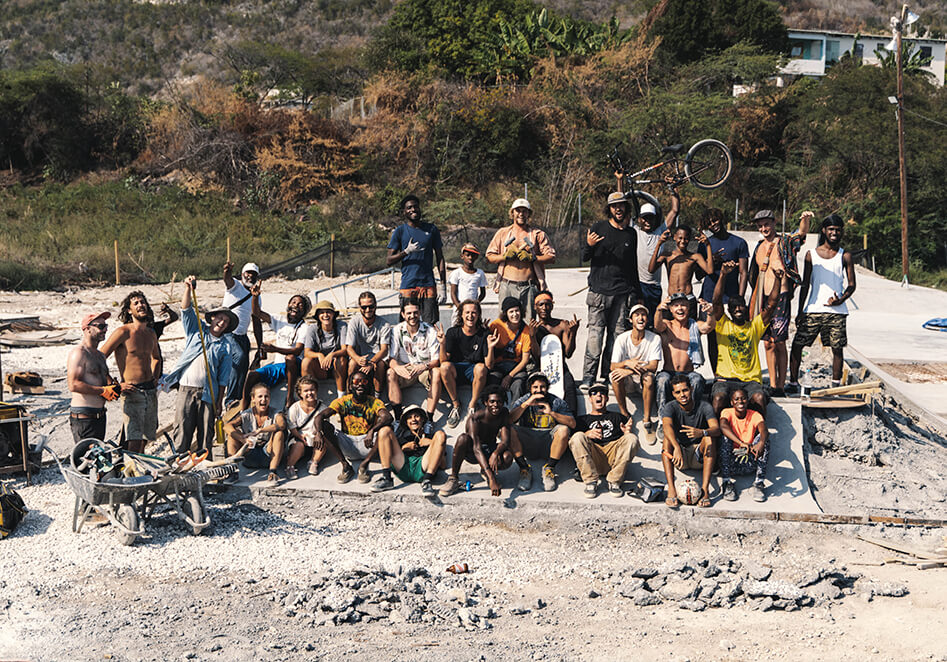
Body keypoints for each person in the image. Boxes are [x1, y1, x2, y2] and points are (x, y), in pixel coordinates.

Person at [159, 276, 236, 458]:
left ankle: (202, 470)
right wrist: (188, 287)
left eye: (226, 321)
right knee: (182, 431)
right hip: (186, 390)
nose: (222, 323)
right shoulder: (197, 330)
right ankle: (178, 466)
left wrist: (219, 403)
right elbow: (186, 309)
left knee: (205, 437)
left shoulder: (225, 346)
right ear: (213, 317)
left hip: (209, 393)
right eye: (220, 318)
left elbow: (223, 378)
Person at [581, 191, 643, 390]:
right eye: (614, 206)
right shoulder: (599, 227)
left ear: (626, 208)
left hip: (622, 294)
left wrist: (637, 294)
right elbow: (584, 257)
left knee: (616, 339)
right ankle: (588, 378)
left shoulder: (631, 234)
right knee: (595, 339)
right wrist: (589, 246)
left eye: (621, 205)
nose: (618, 209)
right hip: (599, 292)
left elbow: (632, 266)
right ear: (609, 208)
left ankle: (608, 375)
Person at [788, 213, 857, 392]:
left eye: (838, 230)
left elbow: (851, 285)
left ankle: (834, 386)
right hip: (813, 309)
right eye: (831, 229)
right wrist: (801, 310)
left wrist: (840, 299)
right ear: (824, 231)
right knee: (797, 345)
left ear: (842, 232)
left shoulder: (845, 255)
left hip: (838, 311)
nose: (834, 233)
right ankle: (793, 383)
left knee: (837, 348)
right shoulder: (812, 255)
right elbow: (805, 285)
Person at [748, 209, 813, 396]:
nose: (764, 228)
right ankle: (774, 384)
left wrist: (804, 219)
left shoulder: (784, 242)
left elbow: (800, 235)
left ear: (774, 223)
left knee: (780, 342)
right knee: (767, 342)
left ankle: (781, 385)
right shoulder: (759, 246)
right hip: (763, 297)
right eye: (760, 226)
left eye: (766, 224)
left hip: (781, 296)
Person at [711, 261, 784, 416]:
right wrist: (723, 274)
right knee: (718, 397)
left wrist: (777, 280)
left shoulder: (754, 326)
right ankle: (715, 437)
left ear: (745, 308)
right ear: (729, 311)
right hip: (726, 379)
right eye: (734, 306)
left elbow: (771, 306)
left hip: (750, 381)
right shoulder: (723, 324)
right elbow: (716, 302)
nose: (738, 308)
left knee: (759, 397)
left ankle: (761, 435)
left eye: (741, 305)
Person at [439, 386, 532, 497]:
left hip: (490, 448)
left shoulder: (503, 414)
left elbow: (505, 441)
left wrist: (496, 453)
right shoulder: (475, 419)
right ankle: (453, 478)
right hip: (473, 453)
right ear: (485, 402)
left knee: (507, 457)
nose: (496, 405)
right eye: (492, 401)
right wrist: (493, 480)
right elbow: (476, 449)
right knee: (463, 438)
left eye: (499, 402)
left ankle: (486, 471)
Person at [101, 291, 162, 453]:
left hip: (150, 390)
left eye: (143, 302)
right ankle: (131, 475)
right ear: (129, 310)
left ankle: (139, 472)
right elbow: (100, 357)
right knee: (134, 438)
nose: (141, 305)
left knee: (146, 436)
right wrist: (114, 384)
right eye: (136, 303)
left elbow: (156, 358)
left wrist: (155, 379)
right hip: (132, 391)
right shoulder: (123, 332)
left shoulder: (151, 333)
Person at [312, 370, 393, 484]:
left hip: (368, 444)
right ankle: (345, 466)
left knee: (386, 429)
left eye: (364, 381)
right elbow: (319, 417)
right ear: (350, 386)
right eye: (356, 381)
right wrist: (318, 433)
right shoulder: (343, 401)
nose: (360, 384)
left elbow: (388, 417)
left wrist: (372, 430)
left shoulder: (375, 402)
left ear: (369, 385)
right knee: (324, 426)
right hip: (347, 443)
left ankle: (364, 465)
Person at [616, 172, 675, 326]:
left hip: (654, 286)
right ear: (639, 219)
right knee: (633, 322)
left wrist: (673, 188)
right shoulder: (633, 230)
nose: (647, 221)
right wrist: (620, 181)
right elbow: (620, 204)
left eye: (651, 218)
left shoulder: (660, 232)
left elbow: (674, 211)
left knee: (653, 324)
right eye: (645, 218)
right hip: (637, 284)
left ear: (656, 219)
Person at [485, 198, 556, 321]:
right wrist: (504, 256)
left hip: (529, 287)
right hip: (507, 285)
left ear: (529, 214)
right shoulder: (503, 233)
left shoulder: (537, 234)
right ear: (512, 213)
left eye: (525, 211)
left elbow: (551, 257)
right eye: (518, 211)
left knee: (530, 324)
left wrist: (533, 258)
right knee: (504, 322)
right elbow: (489, 256)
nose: (521, 214)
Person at [242, 285, 310, 410]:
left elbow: (298, 350)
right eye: (293, 302)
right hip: (279, 365)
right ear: (288, 305)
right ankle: (244, 409)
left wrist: (276, 349)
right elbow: (257, 313)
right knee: (252, 375)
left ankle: (290, 398)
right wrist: (255, 297)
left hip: (295, 365)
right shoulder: (280, 320)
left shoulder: (304, 327)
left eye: (300, 305)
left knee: (290, 358)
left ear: (304, 311)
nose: (296, 305)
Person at [697, 208, 748, 374]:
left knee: (732, 338)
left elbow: (743, 272)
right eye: (709, 223)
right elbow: (699, 273)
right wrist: (712, 260)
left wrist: (740, 298)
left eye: (715, 220)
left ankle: (735, 372)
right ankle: (717, 375)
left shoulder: (739, 243)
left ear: (722, 219)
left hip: (731, 299)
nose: (713, 225)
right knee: (713, 339)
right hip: (709, 297)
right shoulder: (704, 244)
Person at [653, 292, 716, 421]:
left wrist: (710, 313)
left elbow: (708, 327)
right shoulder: (667, 325)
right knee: (661, 380)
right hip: (668, 372)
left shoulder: (694, 325)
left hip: (688, 373)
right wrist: (659, 310)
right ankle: (663, 419)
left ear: (688, 308)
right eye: (676, 305)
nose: (680, 308)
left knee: (697, 380)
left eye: (683, 305)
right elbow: (657, 325)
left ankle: (692, 414)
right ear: (670, 309)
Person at [569, 384, 639, 499]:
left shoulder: (617, 417)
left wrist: (626, 433)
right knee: (577, 437)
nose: (599, 395)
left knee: (632, 438)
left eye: (602, 393)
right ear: (590, 399)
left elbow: (626, 442)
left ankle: (614, 481)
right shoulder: (582, 420)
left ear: (607, 398)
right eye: (594, 393)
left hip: (613, 456)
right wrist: (587, 434)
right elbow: (571, 442)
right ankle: (590, 482)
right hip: (592, 457)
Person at [509, 372, 575, 492]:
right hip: (528, 441)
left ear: (547, 388)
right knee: (509, 430)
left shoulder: (556, 401)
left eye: (542, 387)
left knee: (564, 430)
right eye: (535, 387)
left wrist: (552, 413)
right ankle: (524, 469)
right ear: (530, 388)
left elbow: (572, 423)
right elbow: (509, 419)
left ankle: (549, 468)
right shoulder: (524, 399)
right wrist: (526, 404)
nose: (539, 390)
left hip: (548, 443)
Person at [661, 374, 719, 509]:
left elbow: (716, 429)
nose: (682, 395)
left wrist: (702, 432)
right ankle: (671, 489)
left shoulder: (704, 406)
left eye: (685, 390)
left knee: (709, 438)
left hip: (698, 456)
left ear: (692, 389)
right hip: (679, 456)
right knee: (667, 439)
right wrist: (676, 447)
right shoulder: (670, 407)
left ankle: (705, 490)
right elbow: (666, 426)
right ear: (673, 394)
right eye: (678, 392)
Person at [386, 195, 446, 325]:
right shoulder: (400, 231)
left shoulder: (431, 229)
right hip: (409, 285)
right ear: (404, 212)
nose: (413, 209)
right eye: (409, 208)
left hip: (428, 285)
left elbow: (440, 257)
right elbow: (389, 260)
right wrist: (406, 251)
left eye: (415, 206)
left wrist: (443, 286)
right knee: (407, 325)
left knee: (431, 325)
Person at [436, 300, 497, 428]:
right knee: (444, 367)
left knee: (481, 368)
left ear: (478, 315)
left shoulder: (484, 334)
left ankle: (472, 405)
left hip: (473, 371)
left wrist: (490, 347)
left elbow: (489, 365)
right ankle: (456, 405)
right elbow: (443, 361)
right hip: (456, 370)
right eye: (467, 312)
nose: (470, 316)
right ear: (461, 315)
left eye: (474, 312)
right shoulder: (453, 332)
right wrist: (442, 344)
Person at [609, 304, 663, 443]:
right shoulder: (622, 338)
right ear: (630, 319)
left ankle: (647, 421)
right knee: (614, 376)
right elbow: (613, 366)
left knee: (649, 378)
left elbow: (653, 366)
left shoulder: (655, 338)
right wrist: (627, 362)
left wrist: (629, 370)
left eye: (643, 315)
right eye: (637, 315)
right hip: (628, 383)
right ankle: (624, 414)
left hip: (642, 380)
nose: (640, 318)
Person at [67, 312, 120, 444]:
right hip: (84, 418)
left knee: (98, 459)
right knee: (87, 461)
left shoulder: (100, 355)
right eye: (101, 326)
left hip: (99, 416)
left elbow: (103, 379)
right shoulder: (79, 353)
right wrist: (102, 391)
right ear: (88, 329)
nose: (105, 330)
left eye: (106, 326)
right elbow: (73, 384)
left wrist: (114, 388)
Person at [371, 405, 447, 496]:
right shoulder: (401, 439)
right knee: (384, 430)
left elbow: (443, 465)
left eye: (416, 416)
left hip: (423, 468)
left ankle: (427, 481)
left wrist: (431, 443)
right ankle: (386, 478)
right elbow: (388, 454)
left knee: (440, 434)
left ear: (422, 419)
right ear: (406, 423)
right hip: (403, 468)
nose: (413, 419)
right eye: (410, 418)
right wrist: (403, 448)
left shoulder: (433, 439)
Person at [284, 376, 349, 480]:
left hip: (315, 438)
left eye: (312, 390)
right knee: (298, 446)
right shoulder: (295, 408)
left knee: (322, 442)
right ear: (300, 393)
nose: (309, 393)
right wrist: (300, 436)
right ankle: (290, 466)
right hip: (300, 437)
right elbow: (292, 427)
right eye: (306, 391)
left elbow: (324, 426)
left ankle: (314, 462)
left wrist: (317, 435)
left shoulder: (322, 408)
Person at [387, 300, 441, 422]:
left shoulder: (430, 330)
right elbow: (391, 359)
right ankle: (398, 418)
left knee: (437, 372)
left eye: (415, 312)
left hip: (424, 369)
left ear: (420, 312)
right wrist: (397, 367)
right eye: (409, 313)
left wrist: (424, 366)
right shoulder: (396, 330)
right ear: (403, 314)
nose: (412, 316)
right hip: (405, 369)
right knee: (390, 372)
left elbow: (436, 360)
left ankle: (429, 419)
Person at [528, 291, 580, 415]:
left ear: (552, 306)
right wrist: (532, 337)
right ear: (535, 307)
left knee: (569, 386)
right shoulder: (533, 327)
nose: (544, 308)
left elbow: (568, 353)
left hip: (560, 367)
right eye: (540, 305)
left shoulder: (562, 325)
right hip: (540, 367)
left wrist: (573, 333)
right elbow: (536, 356)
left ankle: (571, 418)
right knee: (531, 386)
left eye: (547, 304)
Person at [648, 224, 713, 319]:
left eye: (686, 238)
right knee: (669, 330)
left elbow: (710, 270)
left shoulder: (695, 256)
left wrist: (708, 245)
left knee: (689, 330)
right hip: (672, 299)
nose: (683, 241)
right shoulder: (667, 255)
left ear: (689, 239)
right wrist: (659, 244)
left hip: (688, 299)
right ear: (674, 237)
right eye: (680, 238)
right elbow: (651, 269)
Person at [225, 382, 286, 484]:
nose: (263, 400)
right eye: (260, 397)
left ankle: (273, 473)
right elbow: (227, 426)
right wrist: (242, 438)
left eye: (266, 397)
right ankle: (232, 472)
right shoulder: (246, 414)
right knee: (232, 436)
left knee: (279, 433)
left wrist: (261, 430)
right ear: (253, 399)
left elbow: (282, 424)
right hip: (249, 454)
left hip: (268, 454)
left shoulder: (276, 413)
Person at [222, 261, 263, 404]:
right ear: (242, 274)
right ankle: (230, 399)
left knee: (244, 366)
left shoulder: (256, 296)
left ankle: (237, 399)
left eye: (253, 274)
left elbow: (256, 322)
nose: (250, 276)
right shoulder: (235, 286)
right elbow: (227, 279)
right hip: (228, 333)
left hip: (242, 336)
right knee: (238, 357)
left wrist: (260, 346)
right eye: (248, 273)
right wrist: (227, 270)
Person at [718, 388, 769, 502]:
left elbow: (764, 429)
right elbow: (723, 426)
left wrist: (760, 443)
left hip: (749, 459)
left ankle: (759, 483)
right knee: (725, 438)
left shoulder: (755, 415)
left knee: (764, 439)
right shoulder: (727, 412)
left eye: (743, 398)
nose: (740, 402)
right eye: (736, 399)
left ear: (748, 401)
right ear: (732, 402)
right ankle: (726, 482)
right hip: (731, 460)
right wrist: (741, 443)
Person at [343, 291, 391, 397]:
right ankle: (350, 395)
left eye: (371, 306)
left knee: (380, 365)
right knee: (352, 364)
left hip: (377, 358)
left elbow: (384, 350)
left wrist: (372, 362)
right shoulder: (354, 322)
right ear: (360, 307)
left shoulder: (384, 324)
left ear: (375, 306)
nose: (368, 310)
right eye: (364, 307)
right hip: (361, 357)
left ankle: (377, 397)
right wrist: (357, 358)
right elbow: (349, 347)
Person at [488, 297, 532, 403]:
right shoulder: (496, 325)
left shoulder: (526, 330)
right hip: (498, 365)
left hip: (516, 367)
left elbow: (525, 360)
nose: (515, 314)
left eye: (517, 311)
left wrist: (509, 376)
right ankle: (493, 415)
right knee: (492, 382)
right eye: (511, 311)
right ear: (505, 314)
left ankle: (515, 416)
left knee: (518, 385)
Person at [302, 300, 348, 394]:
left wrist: (332, 355)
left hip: (337, 367)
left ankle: (341, 395)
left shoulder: (342, 326)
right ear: (318, 316)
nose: (325, 315)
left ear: (333, 314)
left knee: (341, 359)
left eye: (328, 312)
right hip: (321, 367)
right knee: (306, 362)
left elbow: (345, 349)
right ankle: (309, 394)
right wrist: (319, 355)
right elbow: (307, 352)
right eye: (322, 313)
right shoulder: (312, 328)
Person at [448, 243, 487, 325]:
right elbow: (453, 293)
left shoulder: (480, 273)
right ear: (462, 256)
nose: (470, 257)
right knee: (457, 327)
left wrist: (476, 304)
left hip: (473, 309)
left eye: (473, 255)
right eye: (468, 255)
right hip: (458, 308)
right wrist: (459, 307)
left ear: (476, 257)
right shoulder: (457, 273)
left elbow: (483, 293)